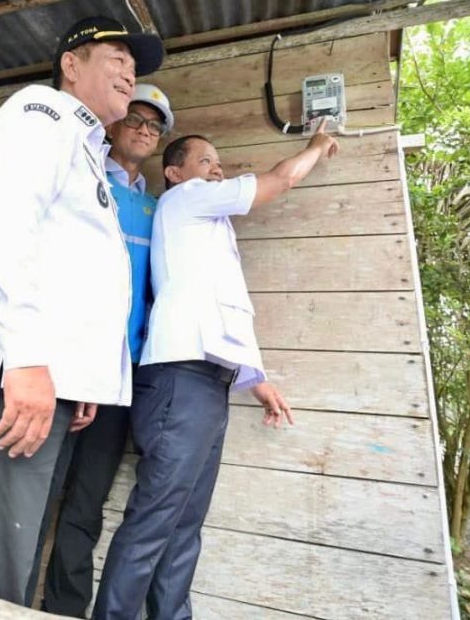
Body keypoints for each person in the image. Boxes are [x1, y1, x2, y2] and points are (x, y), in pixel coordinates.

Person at [0, 16, 165, 605]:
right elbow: (8, 233)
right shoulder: (41, 112)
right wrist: (31, 360)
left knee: (10, 557)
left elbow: (72, 270)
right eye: (116, 56)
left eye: (132, 64)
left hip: (45, 376)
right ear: (71, 64)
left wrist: (81, 375)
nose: (129, 71)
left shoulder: (86, 147)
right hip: (15, 375)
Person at [93, 122, 339, 620]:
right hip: (179, 383)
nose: (216, 170)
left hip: (207, 382)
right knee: (156, 519)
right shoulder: (185, 201)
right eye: (205, 162)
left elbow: (218, 310)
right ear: (175, 172)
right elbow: (281, 179)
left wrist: (256, 378)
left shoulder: (207, 228)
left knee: (185, 523)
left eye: (218, 164)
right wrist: (316, 145)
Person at [38, 83, 174, 616]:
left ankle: (63, 608)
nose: (143, 130)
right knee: (34, 490)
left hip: (122, 373)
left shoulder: (159, 207)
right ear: (113, 124)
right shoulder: (85, 181)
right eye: (135, 119)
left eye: (154, 126)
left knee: (87, 499)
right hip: (65, 362)